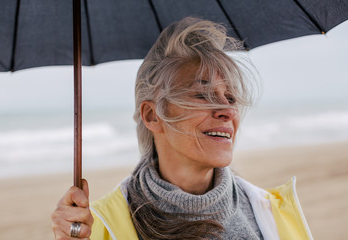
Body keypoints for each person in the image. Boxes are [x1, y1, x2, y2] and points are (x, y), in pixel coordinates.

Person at [51, 17, 313, 240]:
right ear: (152, 115)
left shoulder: (275, 214)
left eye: (231, 98)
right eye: (202, 95)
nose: (227, 111)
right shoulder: (97, 228)